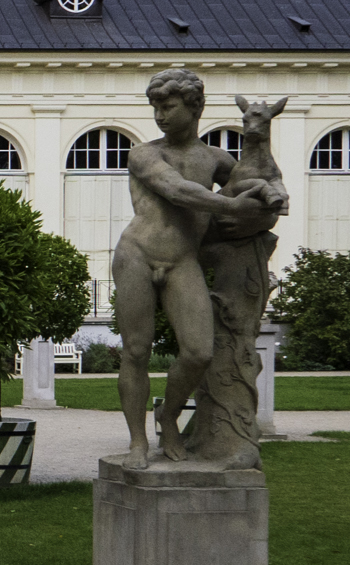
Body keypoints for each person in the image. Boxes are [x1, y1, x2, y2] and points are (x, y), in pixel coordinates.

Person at [111, 68, 269, 468]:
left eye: (168, 106)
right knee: (136, 350)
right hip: (137, 255)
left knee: (198, 351)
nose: (160, 116)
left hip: (182, 260)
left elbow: (253, 181)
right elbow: (178, 191)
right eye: (156, 108)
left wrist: (268, 197)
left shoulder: (215, 158)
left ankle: (168, 415)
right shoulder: (145, 153)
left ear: (195, 106)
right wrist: (233, 205)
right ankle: (137, 443)